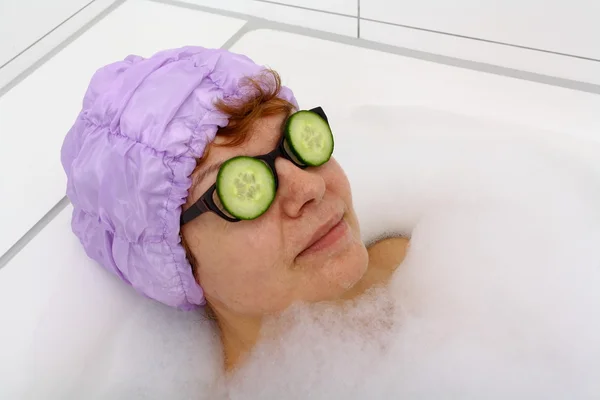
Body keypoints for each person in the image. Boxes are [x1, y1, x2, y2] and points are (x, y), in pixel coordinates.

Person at [61, 46, 409, 372]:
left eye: (297, 143)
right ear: (177, 263)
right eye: (244, 188)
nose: (310, 187)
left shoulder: (425, 259)